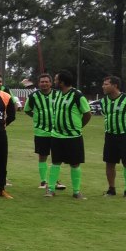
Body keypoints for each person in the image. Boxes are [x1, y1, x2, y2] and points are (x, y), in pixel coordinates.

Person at [46, 70, 92, 200]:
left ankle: (76, 191)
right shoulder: (57, 95)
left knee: (75, 164)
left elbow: (87, 114)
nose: (54, 82)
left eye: (56, 79)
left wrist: (78, 127)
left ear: (62, 82)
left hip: (73, 137)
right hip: (56, 135)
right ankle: (50, 189)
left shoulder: (77, 95)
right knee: (55, 162)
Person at [100, 75, 126, 198]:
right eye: (103, 84)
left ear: (115, 86)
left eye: (106, 84)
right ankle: (111, 189)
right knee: (109, 163)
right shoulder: (103, 101)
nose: (103, 86)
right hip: (110, 135)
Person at [23, 73, 66, 191]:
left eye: (46, 81)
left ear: (51, 83)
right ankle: (43, 181)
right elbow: (27, 110)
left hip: (56, 131)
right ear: (38, 83)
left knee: (57, 157)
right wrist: (36, 117)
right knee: (42, 156)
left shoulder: (58, 94)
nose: (44, 84)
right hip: (41, 131)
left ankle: (55, 180)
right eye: (42, 82)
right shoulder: (33, 96)